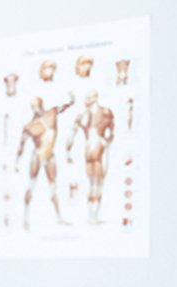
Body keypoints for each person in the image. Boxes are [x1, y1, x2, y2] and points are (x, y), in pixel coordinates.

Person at [15, 93, 76, 230]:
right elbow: (21, 145)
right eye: (33, 106)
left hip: (49, 155)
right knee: (31, 184)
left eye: (37, 105)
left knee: (53, 187)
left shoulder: (51, 114)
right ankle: (25, 218)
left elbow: (63, 107)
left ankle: (59, 216)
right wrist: (17, 162)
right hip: (36, 155)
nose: (36, 109)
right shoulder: (29, 126)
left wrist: (71, 101)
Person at [66, 90, 115, 225]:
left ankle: (91, 216)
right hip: (98, 144)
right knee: (98, 183)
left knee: (92, 183)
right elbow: (111, 132)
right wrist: (106, 142)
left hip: (88, 147)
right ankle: (93, 216)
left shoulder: (83, 115)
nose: (85, 100)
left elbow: (71, 135)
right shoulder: (105, 112)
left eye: (87, 98)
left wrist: (68, 153)